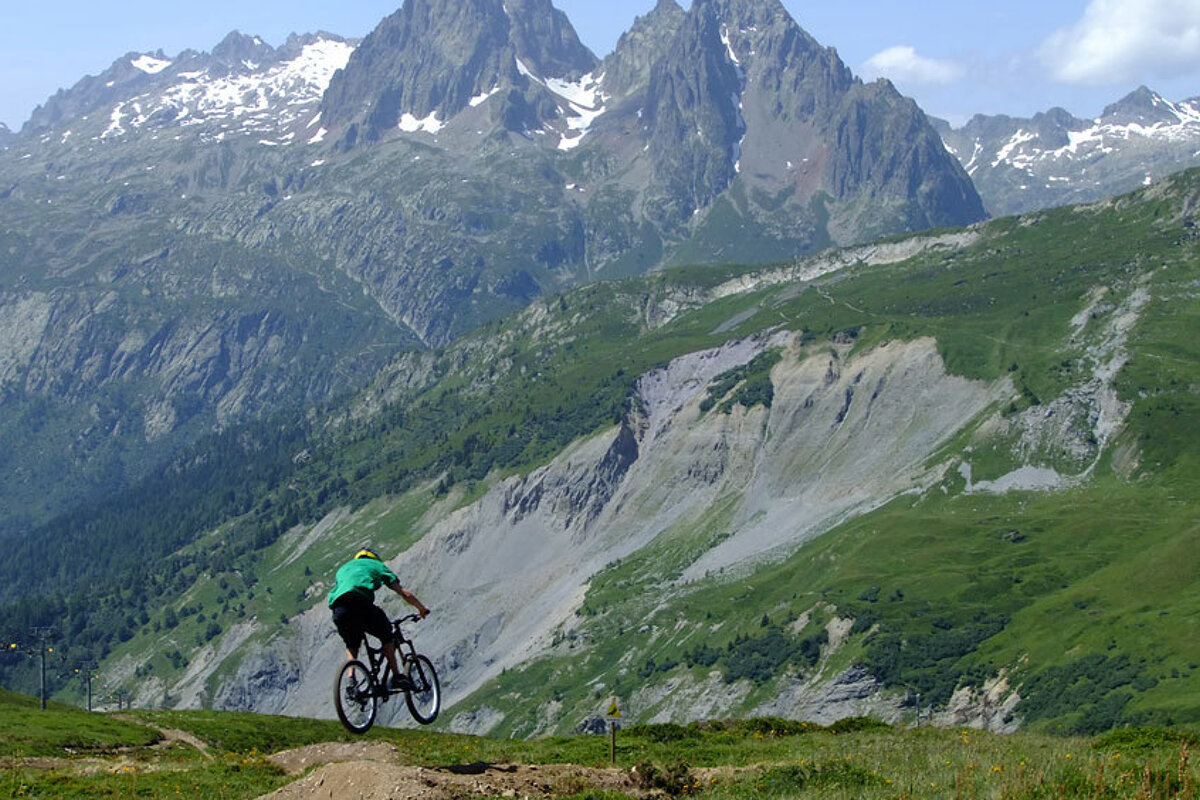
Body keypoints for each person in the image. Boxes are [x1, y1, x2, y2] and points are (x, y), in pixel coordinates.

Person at [328, 547, 430, 691]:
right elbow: (403, 593)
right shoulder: (377, 565)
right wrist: (421, 608)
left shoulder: (344, 568)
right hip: (360, 603)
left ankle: (351, 679)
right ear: (374, 558)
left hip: (339, 609)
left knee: (352, 643)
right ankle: (396, 677)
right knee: (387, 634)